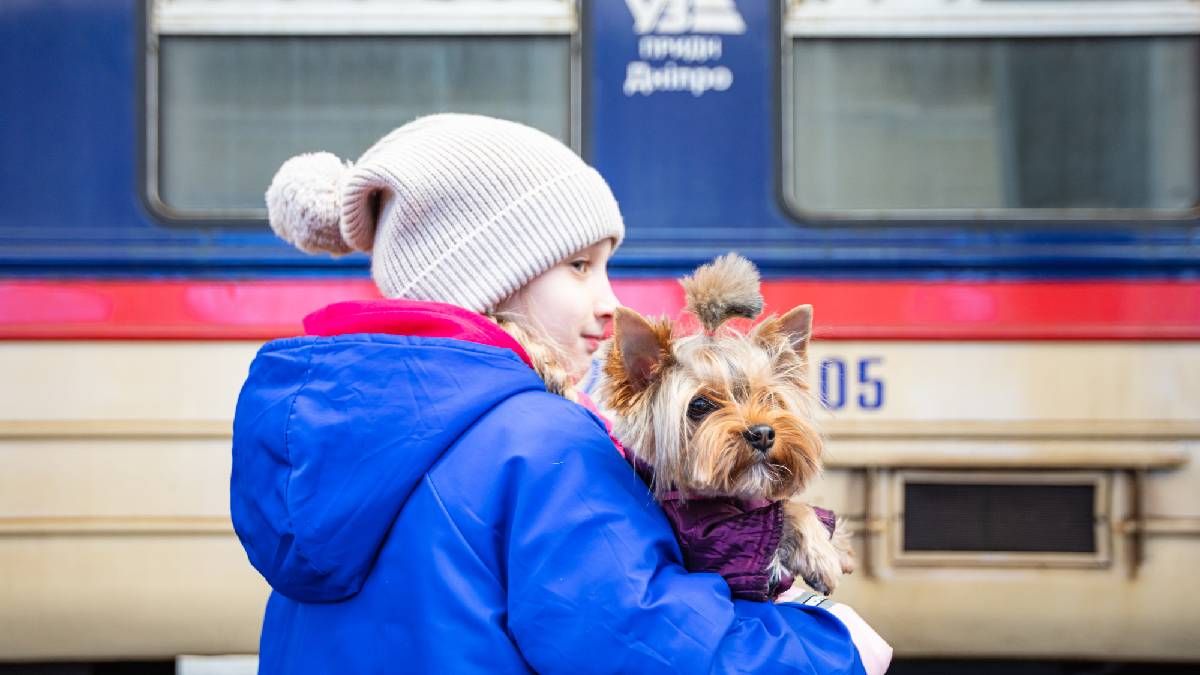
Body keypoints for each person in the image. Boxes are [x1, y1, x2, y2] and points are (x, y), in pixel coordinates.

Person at [230, 113, 891, 674]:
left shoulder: (330, 423)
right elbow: (640, 642)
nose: (608, 303)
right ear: (486, 277)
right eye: (579, 266)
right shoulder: (538, 441)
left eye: (608, 266)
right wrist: (834, 648)